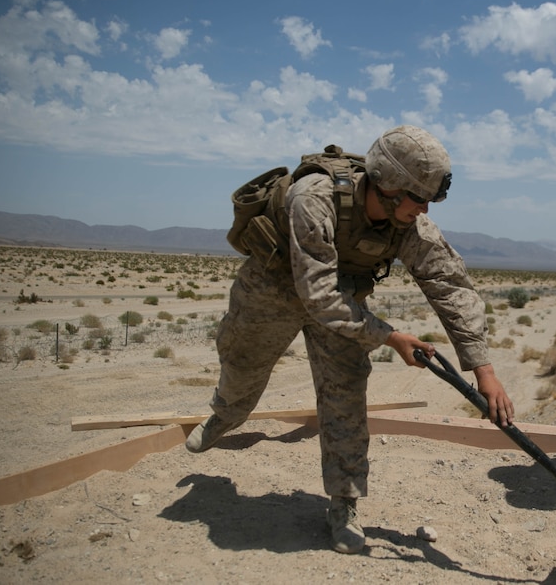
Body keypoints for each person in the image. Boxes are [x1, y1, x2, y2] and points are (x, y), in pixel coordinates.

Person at [186, 125, 515, 554]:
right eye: (420, 199)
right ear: (391, 186)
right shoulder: (315, 198)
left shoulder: (409, 224)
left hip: (343, 299)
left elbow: (449, 283)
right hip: (274, 287)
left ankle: (343, 503)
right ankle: (225, 416)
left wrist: (483, 369)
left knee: (345, 400)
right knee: (242, 369)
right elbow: (317, 295)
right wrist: (390, 336)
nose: (425, 210)